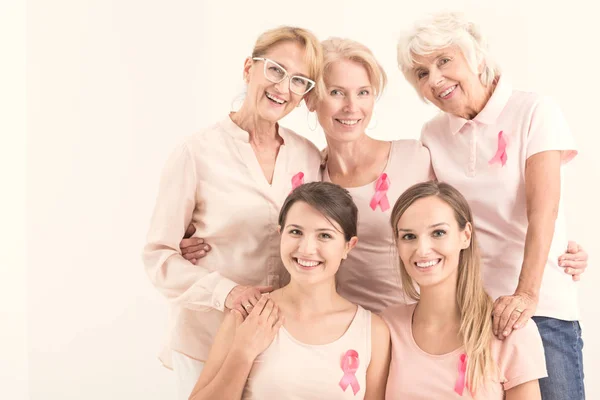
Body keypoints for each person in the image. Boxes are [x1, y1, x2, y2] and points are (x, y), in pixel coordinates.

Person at [181, 37, 588, 316]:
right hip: (341, 333)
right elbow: (272, 227)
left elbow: (477, 212)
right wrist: (206, 241)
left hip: (419, 329)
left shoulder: (417, 156)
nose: (350, 107)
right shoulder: (306, 171)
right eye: (336, 92)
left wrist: (559, 250)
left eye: (363, 92)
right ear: (311, 99)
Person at [397, 11, 585, 398]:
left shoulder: (534, 111)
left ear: (477, 57)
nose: (434, 79)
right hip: (470, 311)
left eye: (444, 61)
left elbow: (543, 210)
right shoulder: (433, 134)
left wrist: (526, 295)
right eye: (421, 73)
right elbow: (435, 219)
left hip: (539, 306)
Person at [142, 26, 323, 399]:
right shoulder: (196, 153)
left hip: (281, 341)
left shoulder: (307, 154)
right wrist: (227, 292)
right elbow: (159, 258)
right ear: (248, 69)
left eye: (299, 80)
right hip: (206, 338)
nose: (283, 87)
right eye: (275, 70)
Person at [188, 182, 391, 400]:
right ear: (281, 234)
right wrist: (242, 352)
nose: (306, 249)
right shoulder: (248, 314)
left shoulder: (373, 332)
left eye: (324, 235)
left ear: (348, 246)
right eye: (296, 232)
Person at [384, 181, 547, 399]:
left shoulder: (511, 331)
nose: (422, 250)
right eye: (409, 236)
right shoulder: (386, 328)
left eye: (438, 232)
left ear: (466, 235)